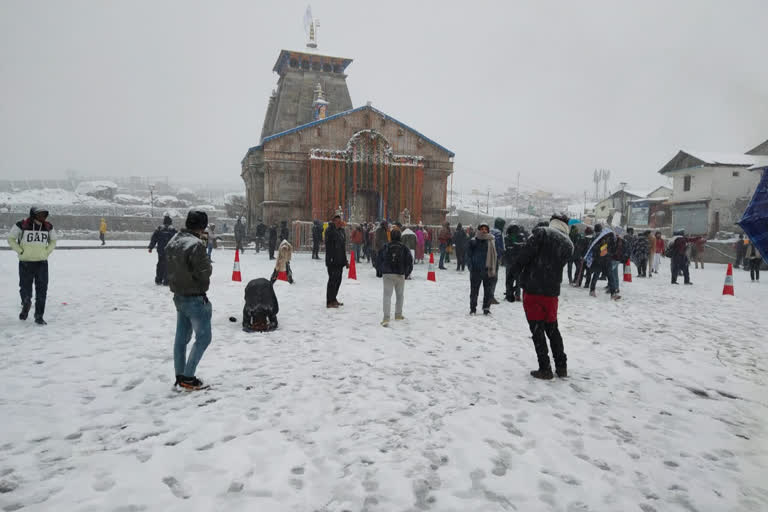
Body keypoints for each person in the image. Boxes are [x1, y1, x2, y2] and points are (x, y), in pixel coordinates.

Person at [512, 214, 573, 379]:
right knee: (553, 329)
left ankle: (545, 368)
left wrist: (512, 282)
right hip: (551, 294)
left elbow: (522, 259)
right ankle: (561, 367)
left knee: (537, 331)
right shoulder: (568, 245)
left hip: (533, 290)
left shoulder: (541, 234)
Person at [166, 211, 213, 390]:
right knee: (204, 337)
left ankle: (179, 374)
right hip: (195, 298)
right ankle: (188, 376)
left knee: (181, 338)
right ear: (202, 226)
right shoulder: (196, 245)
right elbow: (204, 272)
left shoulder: (174, 241)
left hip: (179, 296)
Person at [8, 207, 57, 325]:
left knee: (42, 290)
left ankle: (39, 316)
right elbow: (11, 238)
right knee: (25, 288)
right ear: (33, 214)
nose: (43, 217)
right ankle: (26, 303)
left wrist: (46, 252)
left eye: (45, 215)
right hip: (26, 262)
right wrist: (20, 251)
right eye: (40, 214)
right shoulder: (22, 225)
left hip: (42, 262)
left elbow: (53, 241)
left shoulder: (48, 226)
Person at [376, 228, 414, 326]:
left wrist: (380, 271)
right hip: (400, 274)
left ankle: (386, 318)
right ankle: (398, 315)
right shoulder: (404, 248)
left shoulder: (385, 247)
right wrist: (406, 273)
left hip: (387, 273)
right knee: (400, 295)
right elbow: (410, 261)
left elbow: (378, 259)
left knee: (387, 296)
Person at [466, 222, 497, 315]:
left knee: (488, 291)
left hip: (488, 270)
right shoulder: (473, 241)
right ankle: (473, 308)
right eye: (482, 229)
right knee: (474, 291)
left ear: (488, 230)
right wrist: (470, 266)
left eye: (485, 229)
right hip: (476, 270)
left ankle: (486, 308)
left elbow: (495, 256)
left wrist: (495, 268)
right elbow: (468, 255)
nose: (484, 230)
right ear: (479, 230)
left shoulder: (491, 241)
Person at [585, 224, 619, 299]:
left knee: (604, 276)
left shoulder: (601, 237)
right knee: (608, 276)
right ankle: (612, 293)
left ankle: (594, 290)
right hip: (602, 259)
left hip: (602, 259)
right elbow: (597, 248)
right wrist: (603, 246)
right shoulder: (598, 238)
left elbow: (592, 248)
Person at [325, 215, 348, 307]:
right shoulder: (329, 230)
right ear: (333, 221)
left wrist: (345, 261)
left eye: (340, 221)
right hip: (332, 260)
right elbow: (329, 243)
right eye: (337, 221)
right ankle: (329, 301)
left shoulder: (342, 231)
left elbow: (343, 247)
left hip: (340, 260)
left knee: (338, 281)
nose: (339, 223)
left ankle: (334, 298)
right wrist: (335, 227)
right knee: (332, 281)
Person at [148, 215, 177, 285]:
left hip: (161, 250)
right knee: (168, 265)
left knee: (160, 264)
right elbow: (177, 240)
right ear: (170, 222)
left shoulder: (159, 229)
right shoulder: (173, 230)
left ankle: (159, 279)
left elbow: (154, 239)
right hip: (170, 251)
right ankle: (166, 280)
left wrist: (150, 247)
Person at [504, 224, 523, 301]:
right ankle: (517, 295)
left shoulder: (507, 238)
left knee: (509, 279)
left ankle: (509, 294)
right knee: (518, 279)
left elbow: (506, 248)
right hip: (518, 262)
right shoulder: (520, 237)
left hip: (510, 261)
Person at [489, 218, 506, 303]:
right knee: (494, 278)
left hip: (487, 258)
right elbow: (501, 248)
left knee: (488, 277)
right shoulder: (499, 233)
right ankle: (491, 296)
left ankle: (487, 295)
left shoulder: (490, 231)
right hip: (495, 258)